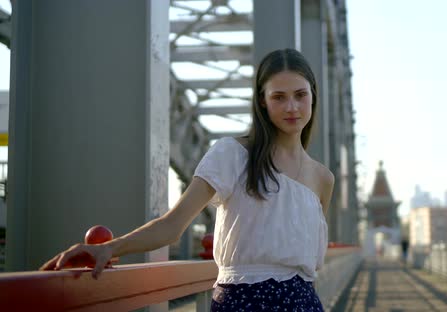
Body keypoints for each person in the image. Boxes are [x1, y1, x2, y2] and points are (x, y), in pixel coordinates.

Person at [40, 48, 335, 311]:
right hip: (243, 302)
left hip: (303, 303)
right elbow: (172, 225)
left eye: (300, 95)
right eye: (278, 97)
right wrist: (108, 248)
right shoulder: (232, 155)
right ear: (262, 102)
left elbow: (308, 267)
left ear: (313, 95)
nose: (292, 107)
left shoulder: (323, 178)